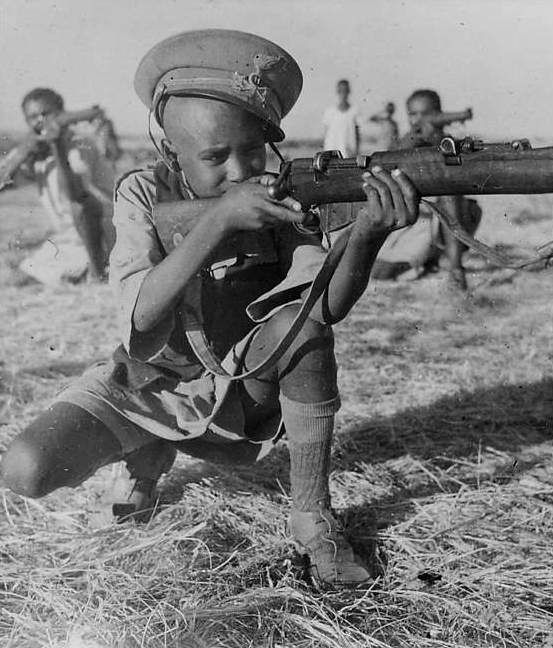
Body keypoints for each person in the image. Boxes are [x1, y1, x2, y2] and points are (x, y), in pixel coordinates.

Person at [0, 30, 420, 587]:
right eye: (215, 157)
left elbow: (323, 311)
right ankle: (146, 450)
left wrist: (367, 235)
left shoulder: (284, 194)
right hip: (148, 385)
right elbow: (141, 317)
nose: (240, 171)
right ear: (170, 152)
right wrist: (220, 220)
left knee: (303, 334)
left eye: (252, 150)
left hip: (240, 393)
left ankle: (311, 515)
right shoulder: (141, 194)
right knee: (26, 470)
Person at [0, 88, 116, 283]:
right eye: (33, 117)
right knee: (15, 278)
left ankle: (97, 272)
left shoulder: (80, 144)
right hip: (67, 238)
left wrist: (57, 146)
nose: (40, 121)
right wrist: (24, 151)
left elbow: (76, 196)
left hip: (100, 235)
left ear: (61, 114)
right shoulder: (38, 149)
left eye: (46, 114)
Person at [374, 89, 480, 289]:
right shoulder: (407, 140)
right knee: (382, 272)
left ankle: (455, 269)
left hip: (442, 223)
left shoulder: (448, 142)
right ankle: (432, 260)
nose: (418, 120)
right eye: (413, 114)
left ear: (439, 115)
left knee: (452, 195)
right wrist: (415, 139)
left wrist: (437, 140)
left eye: (425, 114)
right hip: (414, 223)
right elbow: (391, 158)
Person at [322, 79, 361, 157]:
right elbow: (325, 133)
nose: (343, 93)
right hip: (331, 151)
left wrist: (356, 151)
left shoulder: (354, 111)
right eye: (341, 90)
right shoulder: (329, 111)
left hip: (348, 153)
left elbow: (357, 134)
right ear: (337, 91)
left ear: (349, 91)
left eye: (345, 90)